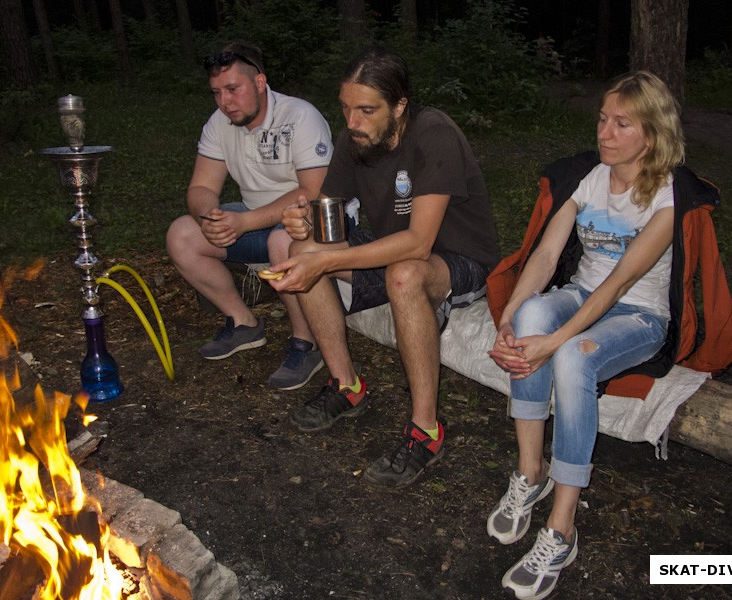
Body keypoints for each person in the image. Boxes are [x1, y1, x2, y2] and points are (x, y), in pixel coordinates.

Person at [485, 71, 685, 599]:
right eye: (603, 119)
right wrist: (509, 319)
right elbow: (547, 256)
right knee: (530, 316)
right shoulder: (594, 178)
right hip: (584, 296)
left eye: (623, 124)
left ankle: (562, 526)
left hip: (637, 316)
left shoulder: (667, 198)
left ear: (652, 132)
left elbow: (619, 284)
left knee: (572, 356)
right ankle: (531, 473)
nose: (606, 132)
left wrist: (554, 343)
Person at [266, 47, 500, 487]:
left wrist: (330, 259)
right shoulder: (354, 139)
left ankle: (426, 430)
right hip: (394, 247)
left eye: (366, 110)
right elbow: (326, 221)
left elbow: (419, 241)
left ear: (399, 106)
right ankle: (346, 385)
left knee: (404, 274)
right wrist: (303, 223)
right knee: (303, 251)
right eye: (346, 108)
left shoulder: (434, 135)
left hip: (460, 259)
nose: (352, 121)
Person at [166, 41, 333, 391]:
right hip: (253, 219)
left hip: (312, 220)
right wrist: (208, 216)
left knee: (281, 240)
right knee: (181, 234)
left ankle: (307, 343)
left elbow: (313, 190)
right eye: (216, 93)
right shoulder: (219, 123)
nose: (225, 102)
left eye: (232, 90)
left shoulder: (300, 116)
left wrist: (243, 222)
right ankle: (242, 322)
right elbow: (200, 188)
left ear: (259, 82)